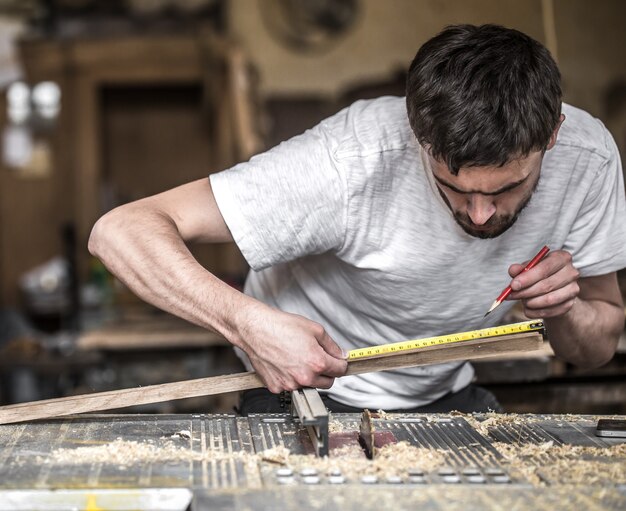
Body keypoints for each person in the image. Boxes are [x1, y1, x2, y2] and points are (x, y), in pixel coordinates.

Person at [88, 24, 626, 414]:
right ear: (418, 137)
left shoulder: (590, 159)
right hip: (305, 388)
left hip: (443, 392)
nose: (481, 215)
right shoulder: (348, 161)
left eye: (508, 188)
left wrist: (567, 309)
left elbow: (596, 347)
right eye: (453, 189)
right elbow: (121, 231)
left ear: (552, 136)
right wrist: (247, 323)